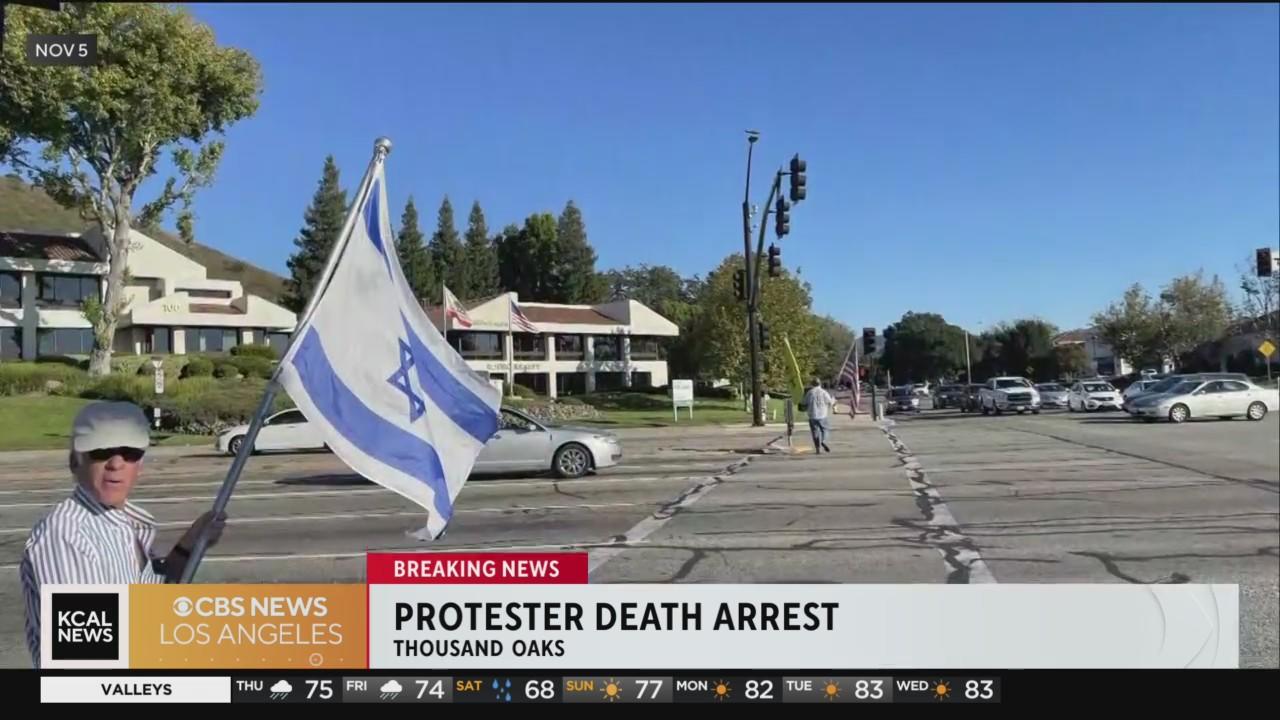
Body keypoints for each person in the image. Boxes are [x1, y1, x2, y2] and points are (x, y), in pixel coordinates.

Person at [21, 401, 227, 667]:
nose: (116, 463)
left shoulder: (121, 524)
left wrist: (190, 544)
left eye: (130, 453)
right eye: (101, 451)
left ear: (140, 463)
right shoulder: (67, 535)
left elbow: (151, 598)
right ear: (74, 461)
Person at [803, 378, 835, 454]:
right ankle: (823, 440)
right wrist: (833, 400)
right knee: (825, 429)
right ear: (820, 384)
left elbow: (804, 402)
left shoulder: (810, 392)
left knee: (815, 432)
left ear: (812, 384)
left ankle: (818, 448)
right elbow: (830, 402)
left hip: (812, 415)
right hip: (822, 415)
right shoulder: (824, 392)